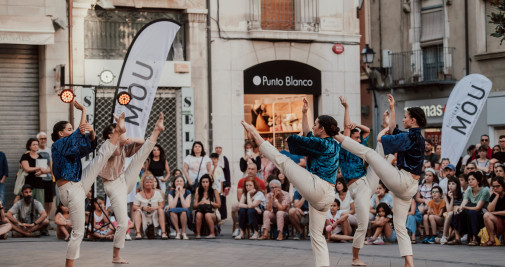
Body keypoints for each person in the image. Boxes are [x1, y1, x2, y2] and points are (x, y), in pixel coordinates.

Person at [242, 96, 340, 267]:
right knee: (317, 235)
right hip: (328, 195)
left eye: (316, 124)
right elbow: (309, 135)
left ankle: (255, 134)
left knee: (283, 161)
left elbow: (302, 139)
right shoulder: (332, 144)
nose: (313, 127)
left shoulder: (322, 144)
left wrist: (255, 133)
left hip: (318, 186)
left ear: (322, 129)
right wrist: (304, 113)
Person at [334, 94, 426, 267]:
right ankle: (409, 263)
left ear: (413, 120)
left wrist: (384, 129)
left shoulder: (408, 138)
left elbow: (381, 138)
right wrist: (391, 109)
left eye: (405, 117)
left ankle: (335, 135)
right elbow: (393, 130)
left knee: (369, 152)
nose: (403, 119)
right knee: (399, 225)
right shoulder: (414, 137)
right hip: (408, 187)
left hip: (401, 181)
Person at [52, 102, 122, 267]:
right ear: (60, 133)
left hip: (78, 183)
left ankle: (117, 133)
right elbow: (78, 133)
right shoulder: (58, 144)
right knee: (78, 232)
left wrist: (92, 132)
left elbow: (88, 147)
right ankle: (69, 265)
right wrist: (83, 110)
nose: (72, 130)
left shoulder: (70, 144)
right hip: (69, 189)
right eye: (68, 129)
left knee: (100, 158)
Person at [99, 113, 163, 263]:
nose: (123, 133)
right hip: (113, 186)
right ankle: (116, 256)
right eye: (119, 131)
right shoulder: (107, 147)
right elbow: (116, 146)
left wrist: (130, 137)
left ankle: (156, 130)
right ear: (111, 135)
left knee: (140, 158)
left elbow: (140, 142)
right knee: (122, 223)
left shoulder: (122, 146)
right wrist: (120, 130)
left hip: (123, 180)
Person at [448, 171, 490, 245]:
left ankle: (475, 239)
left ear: (478, 181)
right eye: (469, 179)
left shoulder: (484, 191)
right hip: (470, 212)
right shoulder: (469, 191)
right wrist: (458, 209)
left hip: (482, 214)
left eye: (473, 179)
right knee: (457, 213)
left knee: (472, 213)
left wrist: (464, 207)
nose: (470, 181)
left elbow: (478, 208)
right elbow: (463, 204)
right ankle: (457, 238)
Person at [231, 163, 266, 237]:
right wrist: (253, 206)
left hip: (259, 211)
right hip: (250, 206)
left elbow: (263, 199)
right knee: (241, 209)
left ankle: (256, 232)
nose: (250, 171)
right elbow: (240, 201)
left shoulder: (261, 185)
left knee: (250, 210)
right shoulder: (242, 182)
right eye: (249, 169)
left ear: (256, 171)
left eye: (252, 169)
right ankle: (240, 231)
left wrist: (253, 206)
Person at [132, 172, 167, 239]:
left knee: (160, 210)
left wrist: (154, 207)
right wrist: (142, 208)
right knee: (137, 211)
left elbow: (162, 205)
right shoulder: (138, 195)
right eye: (147, 182)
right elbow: (134, 207)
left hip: (154, 214)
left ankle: (163, 233)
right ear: (143, 183)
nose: (149, 184)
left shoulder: (157, 193)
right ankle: (138, 233)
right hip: (144, 215)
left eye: (151, 182)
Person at [21, 138, 50, 206]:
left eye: (37, 144)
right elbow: (27, 169)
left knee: (40, 205)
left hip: (39, 184)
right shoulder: (25, 156)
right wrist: (39, 168)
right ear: (29, 146)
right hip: (28, 184)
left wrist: (42, 172)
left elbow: (48, 169)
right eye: (33, 144)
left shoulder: (40, 156)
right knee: (27, 205)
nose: (36, 146)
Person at [194, 174, 221, 239]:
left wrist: (209, 202)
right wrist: (200, 202)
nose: (205, 184)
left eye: (206, 182)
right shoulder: (199, 190)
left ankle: (212, 233)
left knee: (207, 215)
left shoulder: (214, 191)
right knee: (198, 214)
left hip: (213, 212)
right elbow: (194, 206)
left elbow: (219, 205)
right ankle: (198, 234)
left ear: (210, 182)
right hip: (201, 210)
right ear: (201, 183)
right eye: (203, 182)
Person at [166, 175, 191, 240]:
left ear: (183, 183)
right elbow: (172, 206)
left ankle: (184, 232)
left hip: (184, 210)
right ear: (174, 183)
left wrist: (181, 195)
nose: (179, 182)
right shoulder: (171, 192)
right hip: (174, 210)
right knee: (172, 211)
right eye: (177, 181)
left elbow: (186, 206)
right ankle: (178, 232)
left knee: (183, 211)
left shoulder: (188, 192)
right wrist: (177, 194)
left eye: (181, 181)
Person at [440, 177, 463, 244]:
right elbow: (449, 210)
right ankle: (444, 236)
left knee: (452, 214)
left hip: (459, 214)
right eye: (449, 184)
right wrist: (451, 199)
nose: (450, 186)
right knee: (449, 214)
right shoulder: (446, 196)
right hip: (450, 214)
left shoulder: (462, 195)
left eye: (453, 184)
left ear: (457, 185)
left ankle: (449, 238)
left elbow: (462, 208)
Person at [482, 176, 505, 246]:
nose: (495, 188)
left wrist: (494, 213)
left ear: (503, 186)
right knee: (486, 215)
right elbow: (489, 210)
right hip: (498, 220)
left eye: (497, 186)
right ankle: (492, 240)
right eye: (493, 187)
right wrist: (496, 196)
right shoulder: (494, 195)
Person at [37, 132, 54, 220]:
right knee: (40, 200)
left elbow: (52, 164)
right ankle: (40, 218)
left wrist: (48, 171)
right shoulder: (35, 150)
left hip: (49, 178)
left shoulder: (49, 150)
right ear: (38, 140)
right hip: (38, 179)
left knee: (49, 200)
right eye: (41, 139)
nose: (43, 140)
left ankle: (46, 217)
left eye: (45, 138)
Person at [214, 145, 231, 220]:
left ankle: (223, 216)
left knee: (222, 199)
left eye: (220, 148)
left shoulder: (224, 158)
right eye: (216, 148)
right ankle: (215, 216)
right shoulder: (212, 158)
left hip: (222, 182)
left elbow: (227, 172)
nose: (218, 149)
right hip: (214, 182)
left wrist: (228, 184)